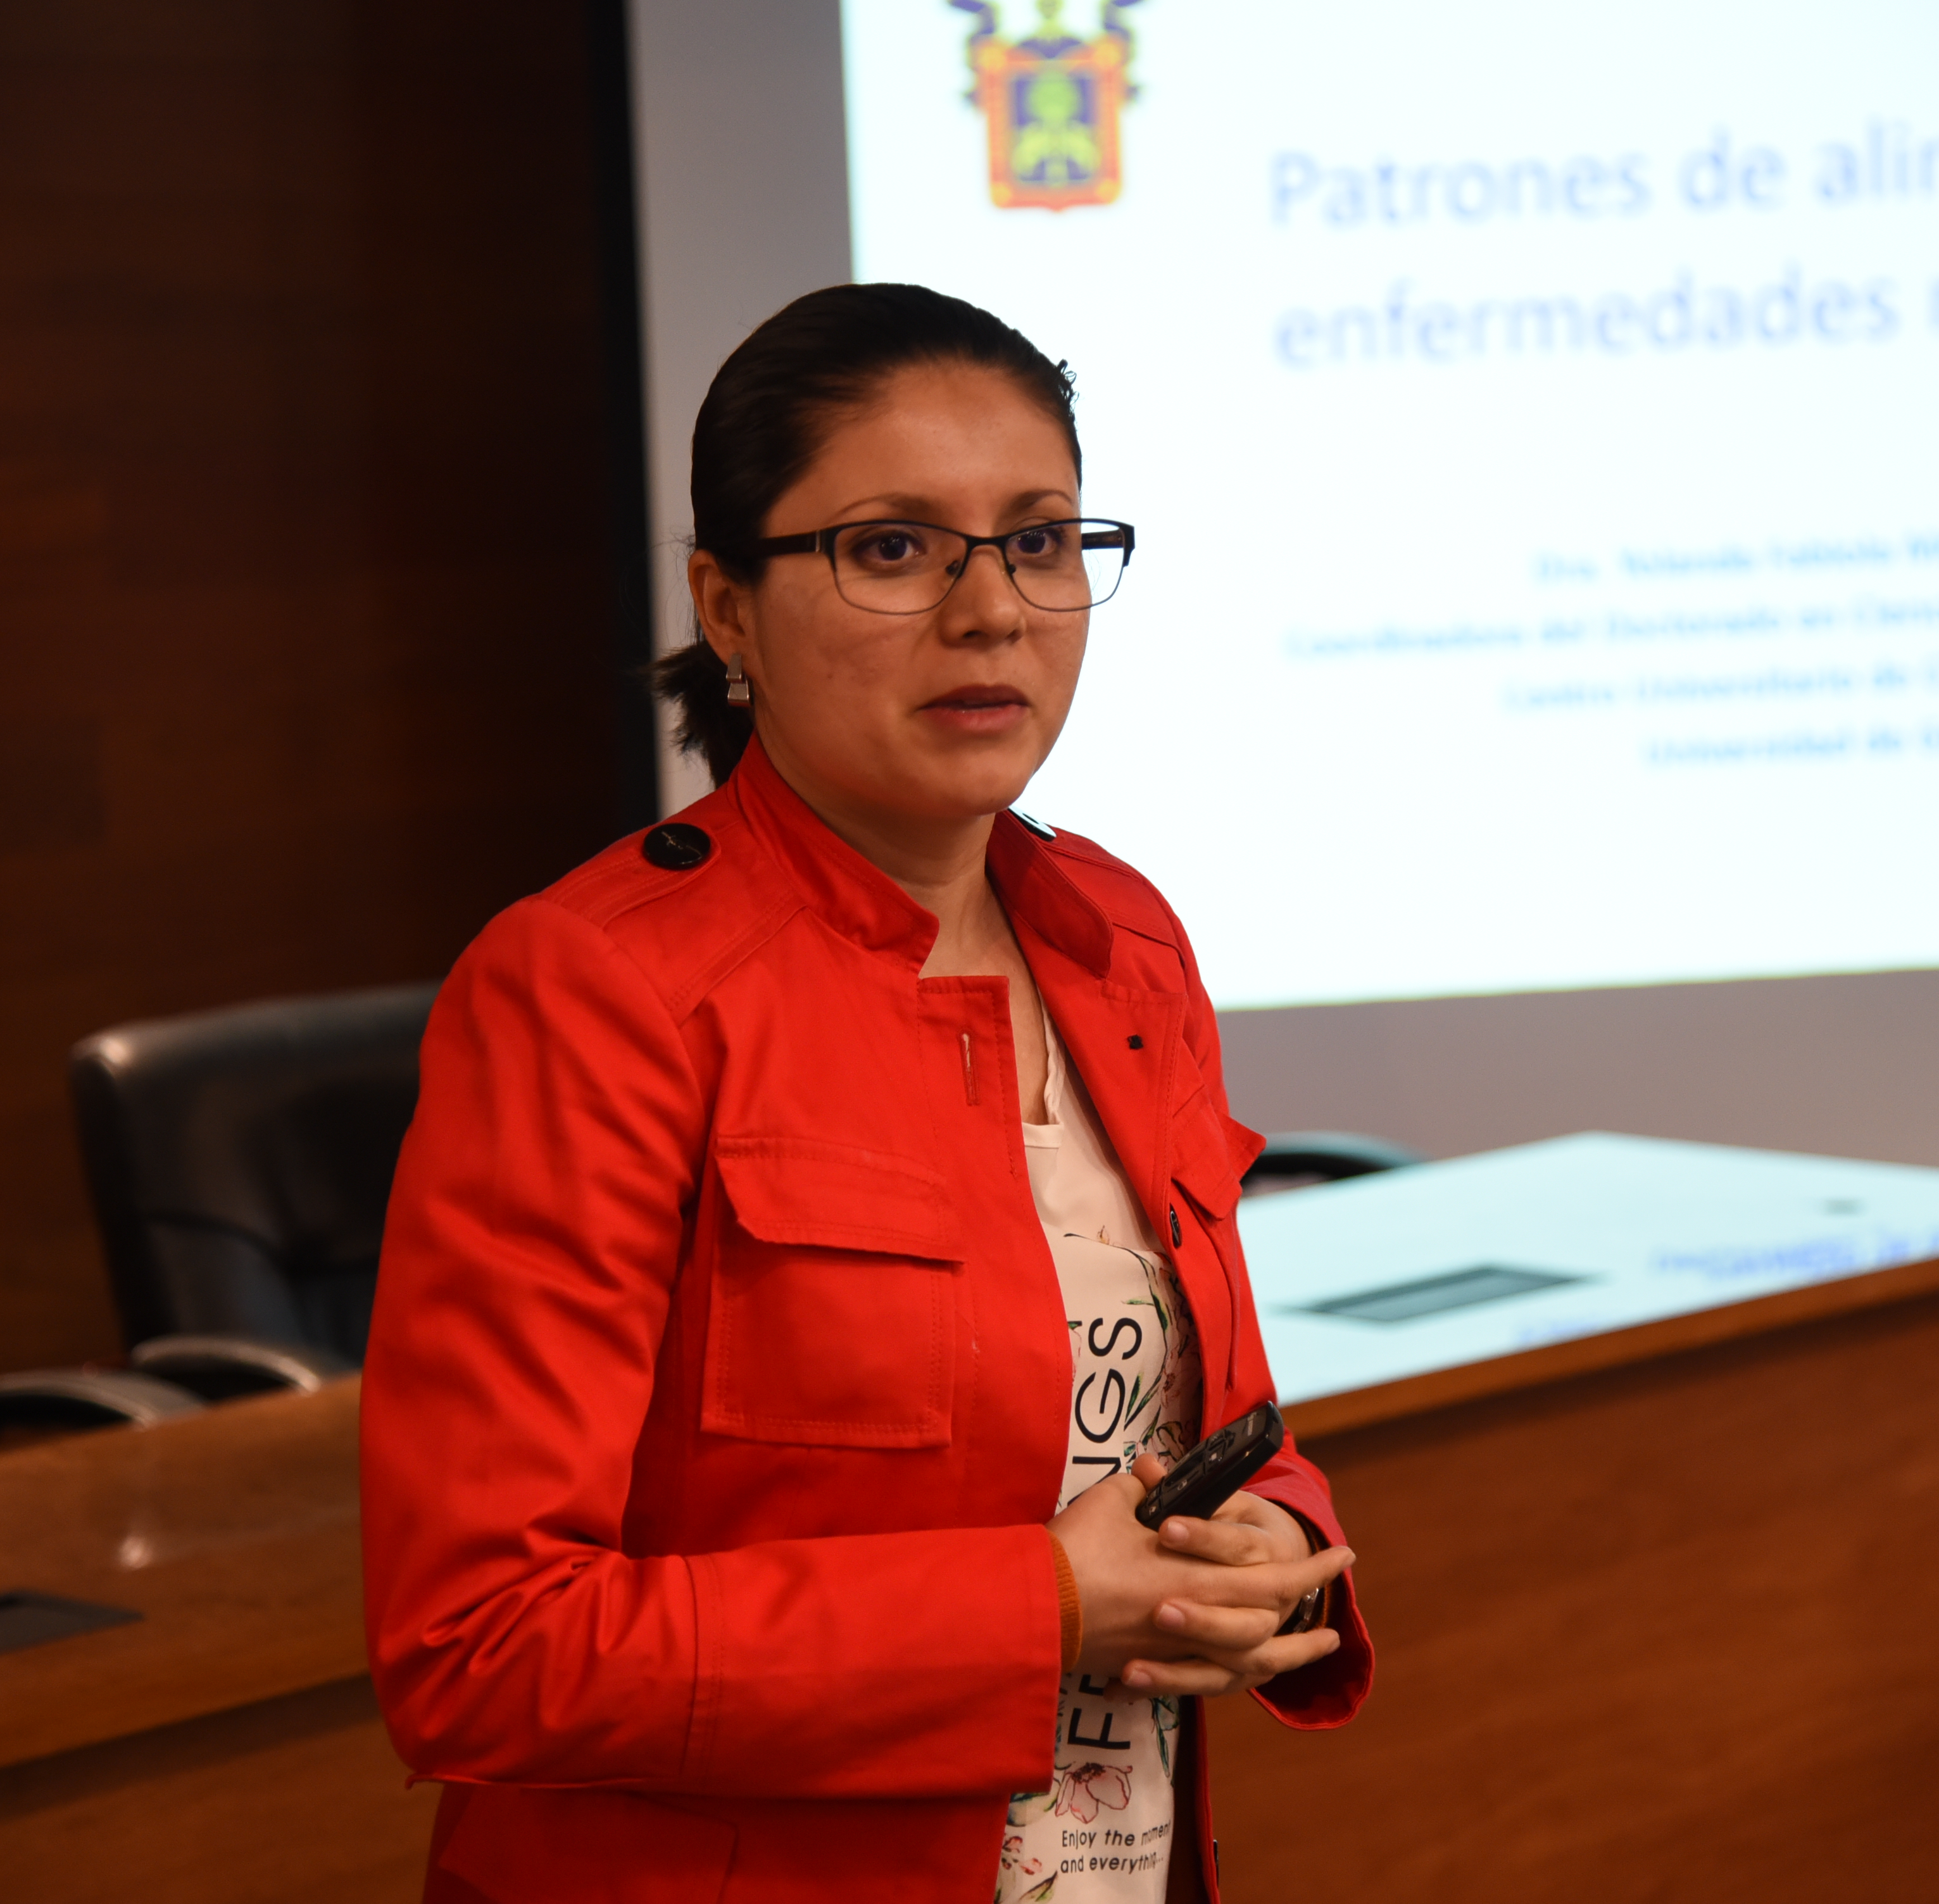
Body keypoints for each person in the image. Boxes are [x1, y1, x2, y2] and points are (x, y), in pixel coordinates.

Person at [360, 283, 1371, 1904]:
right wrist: (1042, 1604)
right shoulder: (594, 990)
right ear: (729, 608)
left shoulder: (1123, 938)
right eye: (893, 548)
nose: (992, 612)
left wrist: (1266, 1537)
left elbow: (1213, 1424)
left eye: (1039, 541)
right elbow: (482, 1648)